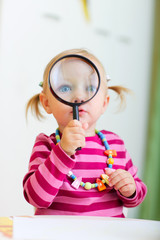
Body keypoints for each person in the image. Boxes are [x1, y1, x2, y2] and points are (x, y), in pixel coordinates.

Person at [23, 48, 147, 217]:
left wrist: (130, 188)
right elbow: (35, 198)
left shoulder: (115, 144)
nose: (79, 97)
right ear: (46, 103)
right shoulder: (46, 145)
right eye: (65, 88)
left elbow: (136, 197)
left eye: (89, 87)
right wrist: (63, 151)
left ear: (104, 103)